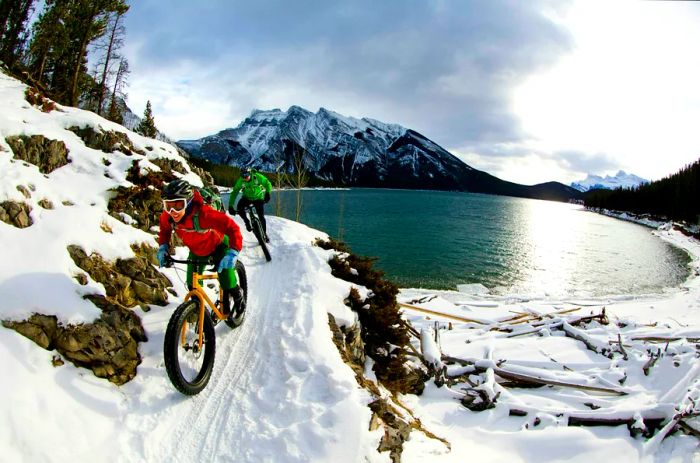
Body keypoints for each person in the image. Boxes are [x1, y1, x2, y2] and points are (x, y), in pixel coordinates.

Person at [157, 179, 244, 317]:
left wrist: (233, 251)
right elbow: (164, 230)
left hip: (219, 246)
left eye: (178, 205)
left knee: (227, 280)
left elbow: (232, 228)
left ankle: (238, 296)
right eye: (168, 206)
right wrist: (163, 246)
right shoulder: (168, 216)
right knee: (192, 285)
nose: (173, 211)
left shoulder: (204, 214)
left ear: (189, 201)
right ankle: (198, 312)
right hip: (197, 250)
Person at [228, 167, 273, 241]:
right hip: (247, 198)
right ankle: (246, 221)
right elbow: (235, 192)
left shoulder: (257, 176)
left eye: (246, 174)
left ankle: (264, 234)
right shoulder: (241, 180)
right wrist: (230, 205)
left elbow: (268, 183)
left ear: (250, 173)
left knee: (261, 216)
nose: (245, 177)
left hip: (258, 198)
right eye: (243, 175)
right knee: (239, 207)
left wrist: (268, 193)